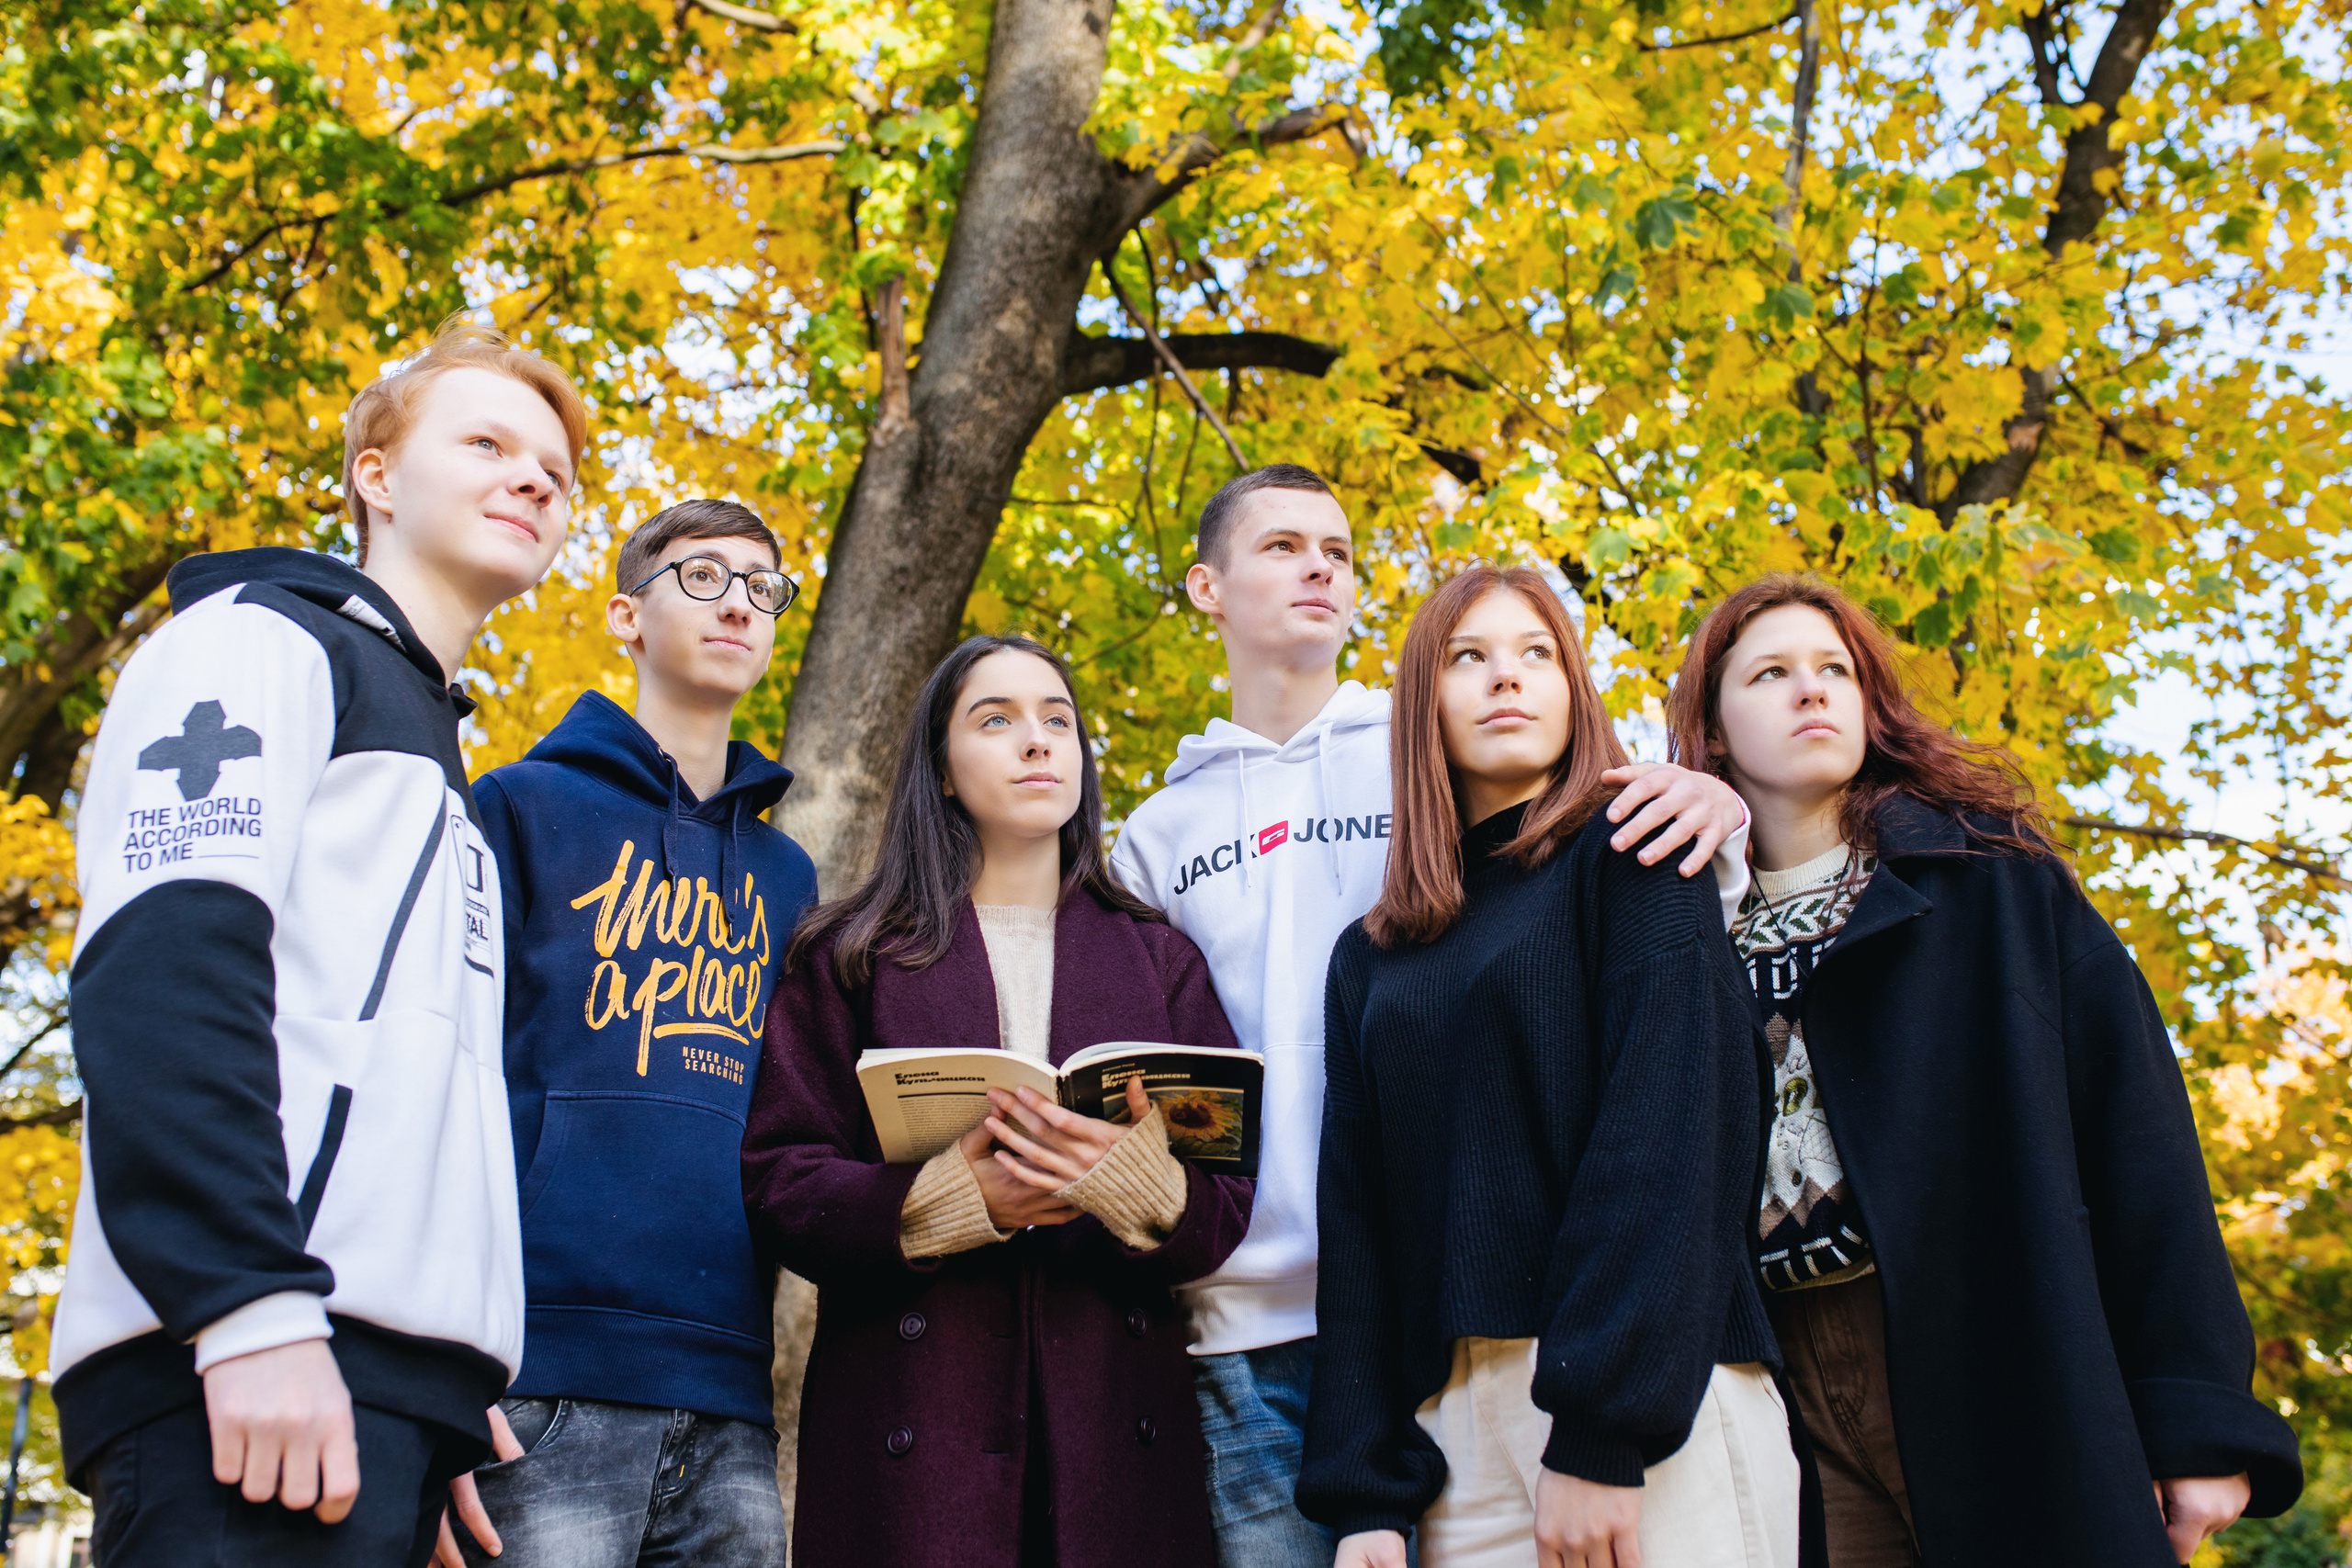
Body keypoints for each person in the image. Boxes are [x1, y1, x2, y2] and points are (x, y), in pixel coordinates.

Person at [1107, 465, 1752, 1567]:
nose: (1319, 565)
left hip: (1491, 1300)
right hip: (1265, 1317)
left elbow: (1655, 1041)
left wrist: (1720, 804)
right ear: (1205, 589)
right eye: (1281, 546)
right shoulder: (1158, 834)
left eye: (1339, 549)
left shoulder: (1439, 758)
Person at [54, 317, 583, 1566]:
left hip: (374, 1405)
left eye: (557, 473)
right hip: (237, 1365)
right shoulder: (256, 643)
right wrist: (246, 1303)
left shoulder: (446, 769)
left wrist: (435, 1393)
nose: (534, 479)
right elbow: (164, 965)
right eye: (488, 441)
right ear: (377, 475)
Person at [1663, 572, 2303, 1565]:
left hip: (1993, 1353)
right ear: (1709, 732)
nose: (1810, 692)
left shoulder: (1989, 880)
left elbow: (2138, 1140)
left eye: (1835, 669)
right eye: (1770, 674)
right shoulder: (1678, 924)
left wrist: (2200, 1418)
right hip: (1771, 1384)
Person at [1301, 564, 1796, 1568]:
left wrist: (1601, 1429)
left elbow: (1672, 1139)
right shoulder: (1370, 956)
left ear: (1575, 687)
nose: (1505, 679)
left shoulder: (1636, 851)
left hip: (1647, 1404)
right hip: (1451, 1438)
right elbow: (1359, 1225)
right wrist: (1363, 1493)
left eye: (1536, 655)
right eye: (1467, 658)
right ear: (1421, 705)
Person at [742, 633, 1257, 1568]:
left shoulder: (1160, 957)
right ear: (940, 769)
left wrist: (1135, 1183)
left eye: (1057, 720)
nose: (1037, 741)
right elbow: (779, 1182)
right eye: (997, 720)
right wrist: (949, 1202)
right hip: (910, 1421)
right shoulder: (849, 955)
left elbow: (1225, 1203)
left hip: (1115, 1420)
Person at [435, 500, 820, 1566]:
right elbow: (443, 1079)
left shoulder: (787, 878)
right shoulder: (517, 807)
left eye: (761, 584)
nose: (738, 601)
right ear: (626, 617)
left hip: (730, 1390)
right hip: (540, 1378)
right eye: (702, 577)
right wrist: (437, 1370)